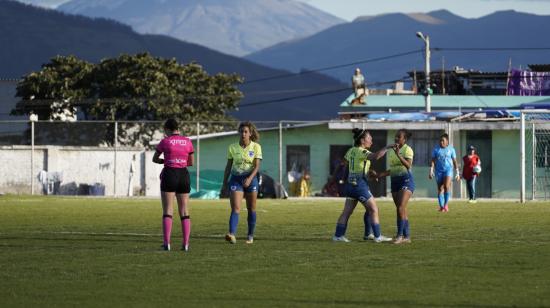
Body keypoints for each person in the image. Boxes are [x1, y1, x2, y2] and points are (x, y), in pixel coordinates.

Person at [332, 129, 393, 243]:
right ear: (362, 140)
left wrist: (367, 172)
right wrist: (387, 147)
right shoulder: (362, 151)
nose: (371, 141)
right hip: (359, 186)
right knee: (374, 209)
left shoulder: (351, 151)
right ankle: (377, 236)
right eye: (369, 138)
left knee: (347, 212)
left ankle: (338, 236)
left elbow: (345, 163)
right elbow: (376, 156)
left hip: (350, 185)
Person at [152, 119, 194, 251]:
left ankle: (167, 243)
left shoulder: (165, 141)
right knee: (185, 211)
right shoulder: (187, 141)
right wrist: (179, 162)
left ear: (167, 129)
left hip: (169, 174)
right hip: (183, 175)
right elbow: (191, 162)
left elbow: (155, 158)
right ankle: (186, 243)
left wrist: (165, 161)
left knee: (168, 210)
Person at [222, 121, 262, 244]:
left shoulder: (256, 147)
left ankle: (250, 236)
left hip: (251, 179)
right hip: (236, 179)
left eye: (246, 132)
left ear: (250, 134)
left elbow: (256, 167)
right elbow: (228, 167)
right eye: (242, 131)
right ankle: (231, 234)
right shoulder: (232, 147)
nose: (243, 134)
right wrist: (224, 183)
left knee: (251, 209)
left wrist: (250, 179)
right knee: (236, 208)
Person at [377, 129, 415, 244]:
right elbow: (393, 169)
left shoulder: (408, 150)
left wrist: (399, 155)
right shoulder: (392, 151)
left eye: (399, 137)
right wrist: (379, 174)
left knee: (400, 208)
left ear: (405, 139)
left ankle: (399, 236)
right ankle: (407, 237)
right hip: (395, 182)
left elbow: (408, 165)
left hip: (406, 181)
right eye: (396, 137)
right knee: (401, 209)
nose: (396, 139)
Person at [429, 133, 460, 212]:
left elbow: (454, 161)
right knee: (440, 189)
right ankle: (441, 207)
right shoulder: (436, 149)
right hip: (438, 171)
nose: (441, 142)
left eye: (443, 141)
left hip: (448, 170)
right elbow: (433, 160)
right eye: (440, 141)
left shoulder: (451, 149)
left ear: (447, 142)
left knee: (446, 186)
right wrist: (431, 170)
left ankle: (446, 205)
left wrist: (457, 172)